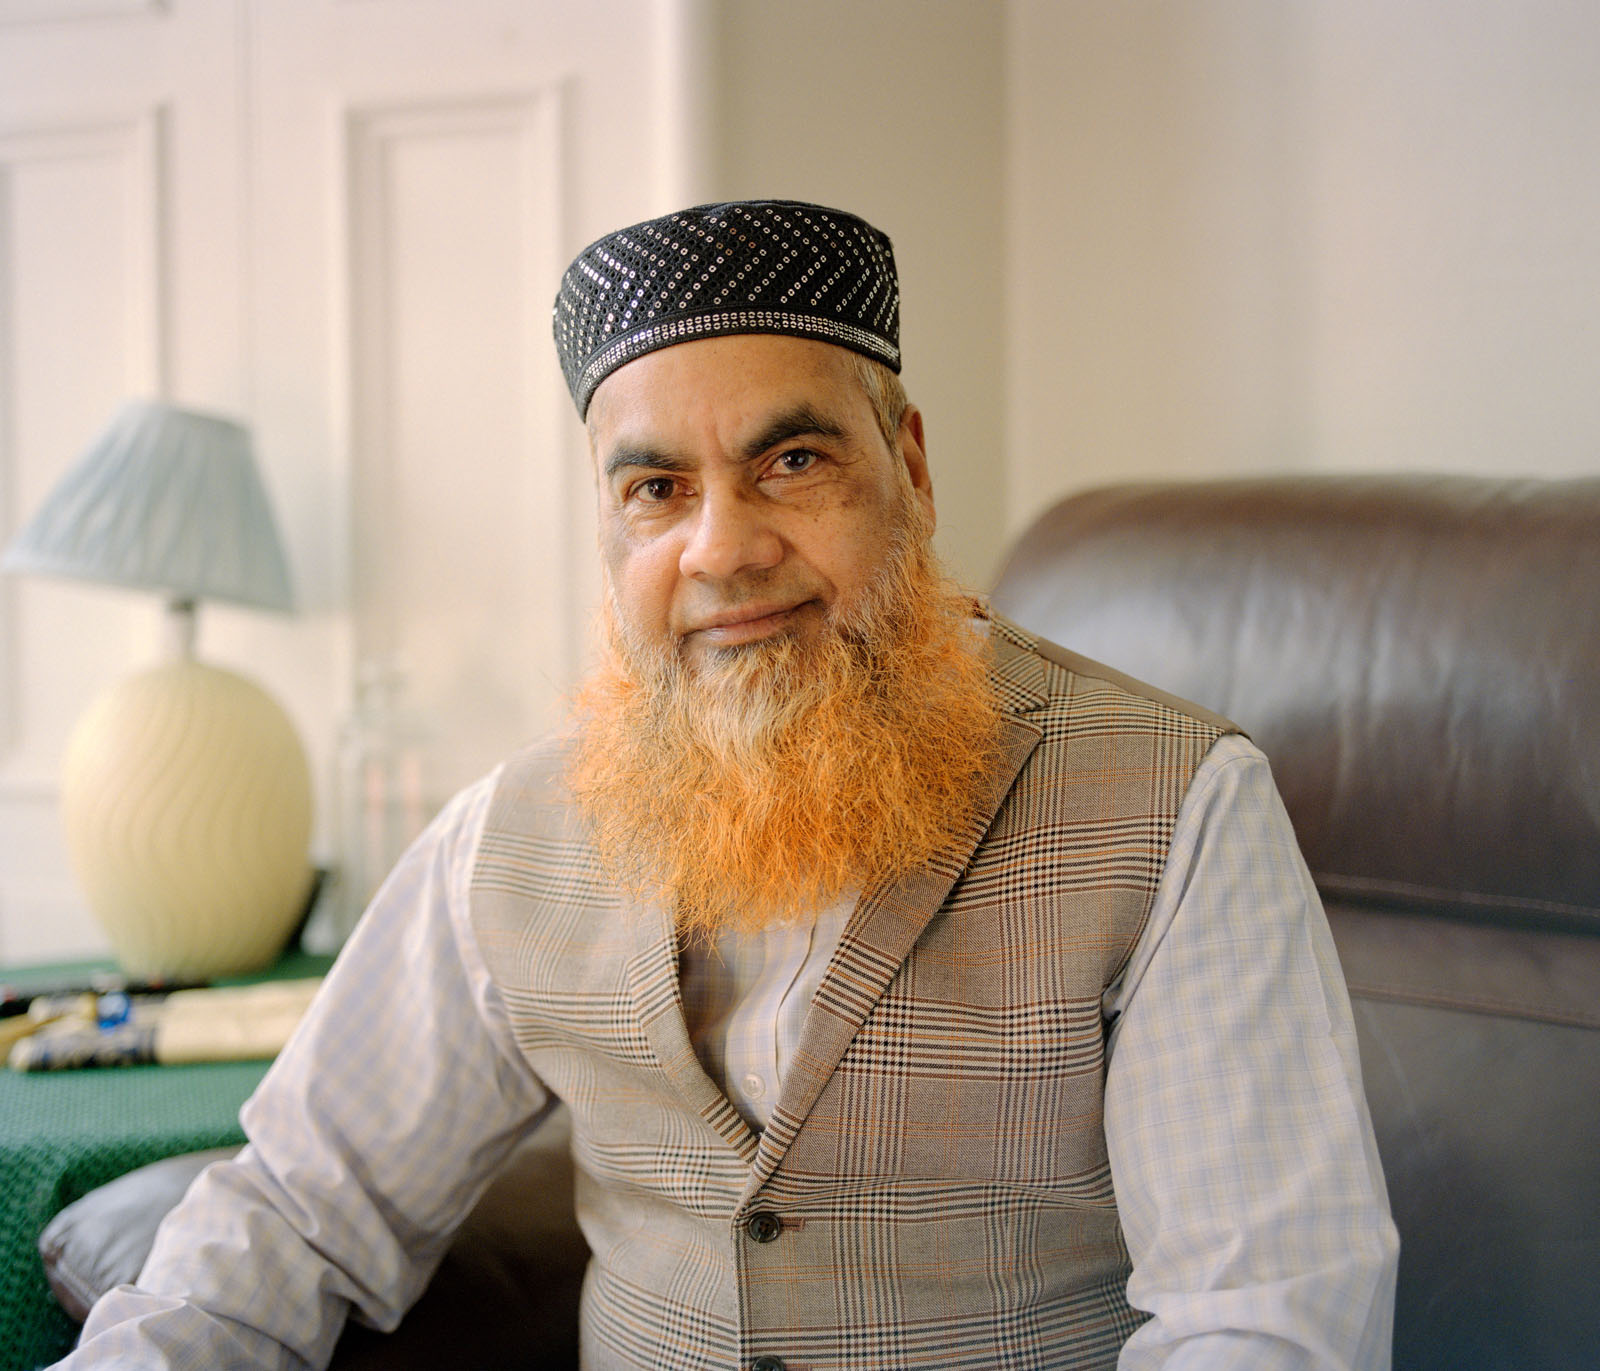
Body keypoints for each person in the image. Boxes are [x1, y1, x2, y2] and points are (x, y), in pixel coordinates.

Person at [57, 200, 1398, 1370]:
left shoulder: (1179, 808)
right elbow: (296, 1209)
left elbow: (1262, 1322)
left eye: (792, 462)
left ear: (911, 472)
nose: (723, 548)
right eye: (656, 488)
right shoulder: (511, 837)